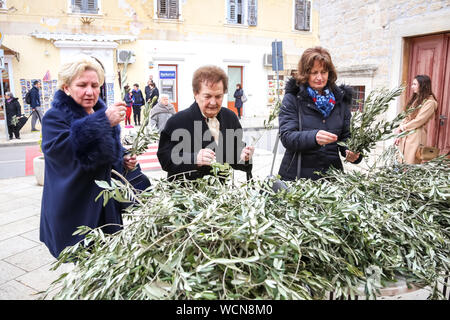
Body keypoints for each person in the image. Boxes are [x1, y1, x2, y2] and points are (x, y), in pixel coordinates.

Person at [39, 55, 137, 259]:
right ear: (66, 88)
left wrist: (123, 160)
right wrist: (102, 122)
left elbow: (105, 153)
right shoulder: (55, 117)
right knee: (84, 264)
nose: (90, 91)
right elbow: (64, 151)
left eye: (95, 85)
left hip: (105, 206)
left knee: (108, 262)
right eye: (82, 85)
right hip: (76, 208)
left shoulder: (100, 112)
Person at [278, 46, 362, 181]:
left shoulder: (340, 100)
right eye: (314, 72)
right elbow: (287, 137)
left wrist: (350, 152)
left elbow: (347, 136)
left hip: (331, 179)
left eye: (323, 72)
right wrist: (314, 137)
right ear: (305, 73)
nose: (319, 77)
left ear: (329, 73)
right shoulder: (293, 98)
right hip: (297, 180)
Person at [157, 65, 254, 181]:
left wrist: (244, 157)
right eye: (207, 96)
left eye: (218, 96)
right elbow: (165, 159)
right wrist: (194, 159)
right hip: (185, 194)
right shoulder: (177, 121)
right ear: (196, 94)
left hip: (220, 194)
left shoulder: (230, 118)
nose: (213, 102)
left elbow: (234, 154)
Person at [395, 75, 438, 164]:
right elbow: (406, 116)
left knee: (411, 162)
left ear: (422, 86)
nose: (412, 86)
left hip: (416, 136)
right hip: (406, 135)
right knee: (401, 162)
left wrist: (403, 128)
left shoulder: (430, 103)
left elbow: (419, 120)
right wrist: (400, 131)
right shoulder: (416, 100)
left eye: (415, 84)